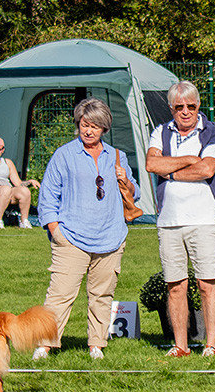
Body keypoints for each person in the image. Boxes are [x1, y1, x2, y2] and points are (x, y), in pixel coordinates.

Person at [33, 98, 137, 361]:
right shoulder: (64, 154)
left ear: (104, 128)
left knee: (102, 295)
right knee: (60, 293)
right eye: (84, 124)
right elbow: (47, 197)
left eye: (95, 126)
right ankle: (45, 345)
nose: (88, 130)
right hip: (71, 238)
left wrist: (125, 181)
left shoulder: (117, 155)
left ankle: (96, 346)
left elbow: (134, 194)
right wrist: (56, 230)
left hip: (110, 237)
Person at [145, 81, 215, 358]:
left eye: (191, 106)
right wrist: (189, 158)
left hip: (204, 220)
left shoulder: (212, 132)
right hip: (168, 221)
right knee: (175, 286)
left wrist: (172, 169)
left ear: (198, 105)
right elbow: (152, 164)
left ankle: (210, 345)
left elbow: (206, 169)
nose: (186, 112)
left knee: (206, 283)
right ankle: (180, 346)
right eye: (180, 107)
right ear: (171, 108)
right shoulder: (160, 132)